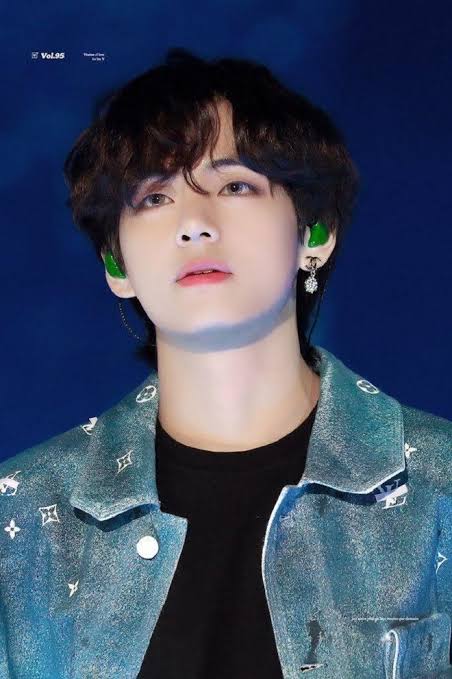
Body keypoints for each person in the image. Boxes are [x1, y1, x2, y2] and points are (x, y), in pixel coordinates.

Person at [1, 47, 451, 679]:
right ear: (117, 264)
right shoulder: (21, 517)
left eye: (235, 185)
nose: (194, 224)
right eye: (154, 197)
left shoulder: (439, 492)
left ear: (314, 233)